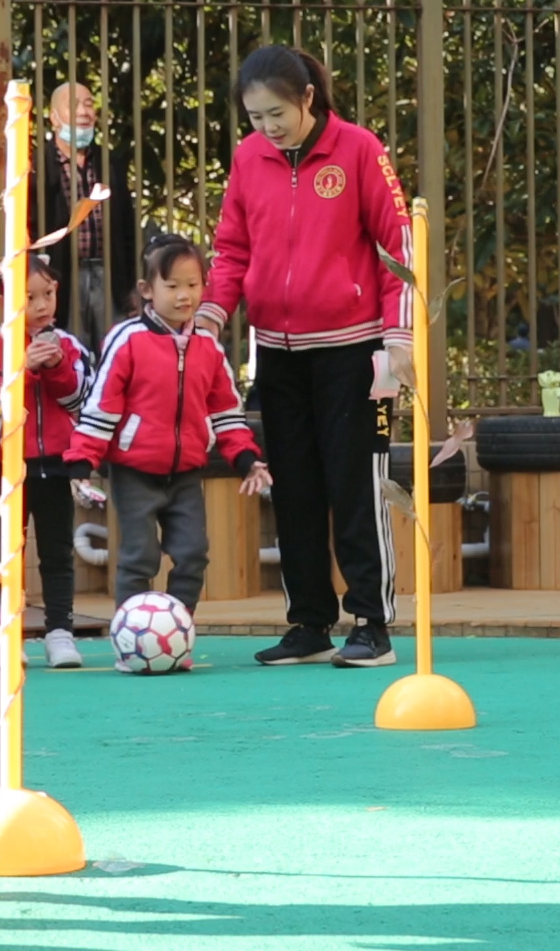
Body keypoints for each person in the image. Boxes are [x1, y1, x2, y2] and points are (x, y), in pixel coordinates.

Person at [195, 45, 414, 669]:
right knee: (293, 491)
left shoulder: (359, 150)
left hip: (354, 350)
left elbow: (399, 248)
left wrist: (398, 337)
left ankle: (372, 622)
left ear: (307, 99)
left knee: (355, 486)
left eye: (276, 114)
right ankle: (309, 621)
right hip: (278, 354)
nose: (266, 127)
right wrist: (214, 309)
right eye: (255, 116)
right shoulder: (248, 158)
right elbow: (233, 245)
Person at [65, 234, 270, 640]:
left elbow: (226, 411)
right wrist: (82, 461)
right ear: (147, 290)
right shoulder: (127, 339)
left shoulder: (208, 345)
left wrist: (246, 457)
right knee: (139, 558)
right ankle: (131, 637)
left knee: (193, 554)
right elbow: (101, 405)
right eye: (172, 285)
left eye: (193, 285)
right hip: (134, 471)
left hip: (186, 474)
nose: (184, 295)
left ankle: (176, 633)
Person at [0, 254, 90, 669]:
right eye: (30, 297)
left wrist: (56, 367)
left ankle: (61, 632)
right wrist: (23, 368)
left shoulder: (70, 345)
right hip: (6, 463)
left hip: (57, 461)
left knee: (57, 550)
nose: (42, 305)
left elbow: (81, 400)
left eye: (48, 294)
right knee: (6, 554)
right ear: (5, 300)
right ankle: (5, 633)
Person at [32, 82, 139, 354]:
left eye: (89, 104)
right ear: (53, 118)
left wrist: (132, 283)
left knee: (114, 353)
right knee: (70, 356)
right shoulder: (37, 164)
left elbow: (127, 225)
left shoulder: (108, 161)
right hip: (62, 276)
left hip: (108, 274)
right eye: (73, 105)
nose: (84, 111)